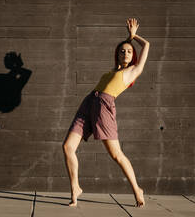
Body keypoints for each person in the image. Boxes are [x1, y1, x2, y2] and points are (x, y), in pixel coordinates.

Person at [62, 18, 150, 207]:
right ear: (117, 55)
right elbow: (121, 52)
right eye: (122, 51)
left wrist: (133, 37)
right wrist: (127, 40)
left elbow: (147, 45)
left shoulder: (133, 71)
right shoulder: (113, 70)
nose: (126, 53)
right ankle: (75, 187)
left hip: (104, 107)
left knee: (116, 155)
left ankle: (136, 188)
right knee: (68, 147)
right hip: (88, 103)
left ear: (133, 55)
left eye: (129, 51)